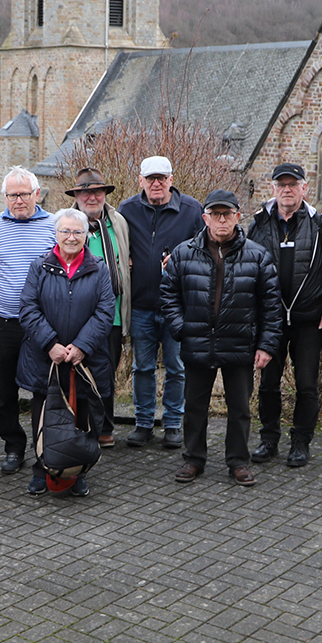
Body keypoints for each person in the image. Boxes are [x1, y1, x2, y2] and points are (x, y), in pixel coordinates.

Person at [161, 190, 281, 487]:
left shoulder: (257, 255)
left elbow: (271, 306)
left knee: (240, 408)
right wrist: (181, 328)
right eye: (216, 214)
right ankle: (194, 458)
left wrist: (266, 345)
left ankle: (238, 462)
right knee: (195, 405)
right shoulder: (184, 252)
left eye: (227, 214)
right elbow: (168, 294)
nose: (222, 220)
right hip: (197, 341)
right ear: (206, 218)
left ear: (238, 217)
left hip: (239, 342)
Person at [16, 208, 115, 497]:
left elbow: (105, 311)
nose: (71, 237)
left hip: (85, 359)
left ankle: (78, 472)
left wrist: (83, 346)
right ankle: (42, 468)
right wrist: (50, 344)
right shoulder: (39, 266)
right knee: (44, 416)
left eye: (78, 232)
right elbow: (28, 308)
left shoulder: (99, 269)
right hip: (45, 358)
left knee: (82, 416)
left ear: (86, 236)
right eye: (66, 231)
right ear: (56, 234)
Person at [246, 163, 322, 468]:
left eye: (293, 184)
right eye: (281, 184)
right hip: (270, 320)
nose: (287, 189)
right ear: (272, 188)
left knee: (307, 384)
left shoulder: (321, 225)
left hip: (309, 319)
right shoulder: (257, 224)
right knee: (268, 384)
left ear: (304, 188)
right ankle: (269, 439)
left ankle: (300, 442)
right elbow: (247, 272)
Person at [117, 156, 204, 450]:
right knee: (142, 368)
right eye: (150, 178)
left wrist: (183, 261)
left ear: (171, 179)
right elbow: (116, 244)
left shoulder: (192, 211)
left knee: (176, 367)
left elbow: (205, 253)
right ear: (140, 180)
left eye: (162, 178)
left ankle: (172, 424)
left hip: (177, 307)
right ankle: (143, 423)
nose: (156, 183)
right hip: (140, 304)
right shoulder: (126, 210)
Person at [0, 166, 56, 473]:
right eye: (12, 195)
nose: (18, 200)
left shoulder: (54, 224)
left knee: (44, 388)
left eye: (24, 194)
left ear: (36, 194)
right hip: (3, 322)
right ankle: (13, 446)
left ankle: (45, 447)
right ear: (5, 197)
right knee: (4, 391)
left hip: (41, 324)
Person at [67, 168, 133, 447]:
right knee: (78, 370)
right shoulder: (67, 223)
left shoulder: (118, 222)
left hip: (113, 314)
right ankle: (77, 424)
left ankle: (105, 425)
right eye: (85, 192)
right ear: (77, 196)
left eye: (97, 191)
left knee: (106, 371)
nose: (91, 197)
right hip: (76, 315)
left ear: (105, 194)